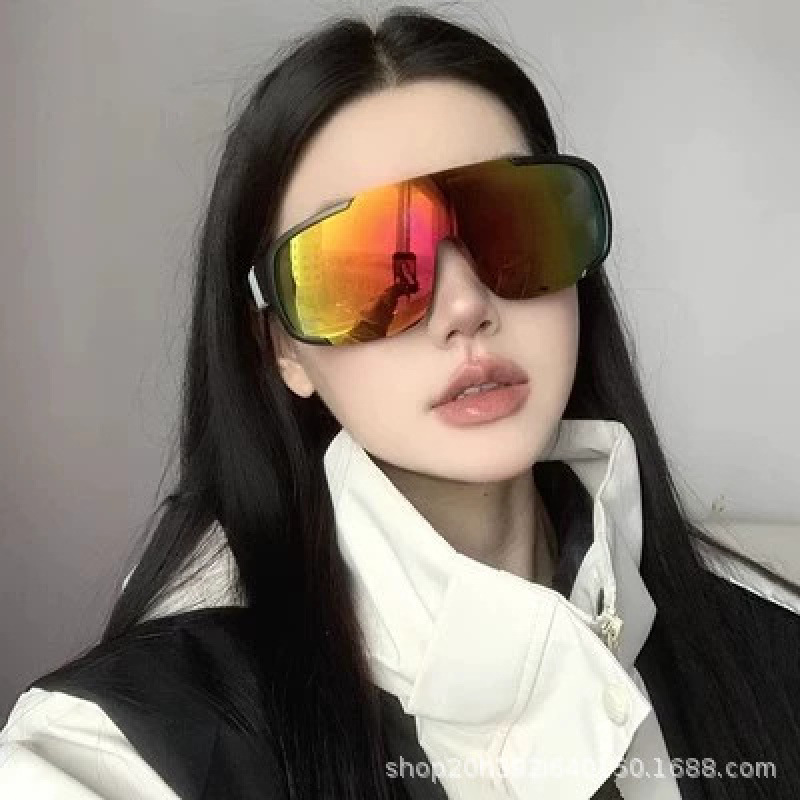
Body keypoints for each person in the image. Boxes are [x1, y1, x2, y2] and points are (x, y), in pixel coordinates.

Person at [1, 7, 798, 800]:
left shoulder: (766, 645)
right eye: (367, 269)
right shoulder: (129, 746)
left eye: (514, 224)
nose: (465, 306)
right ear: (282, 349)